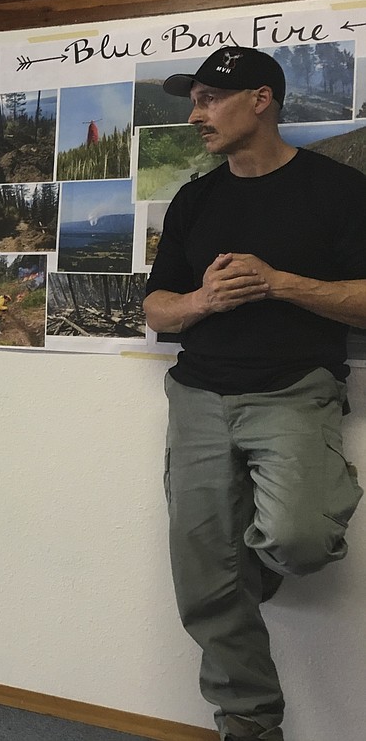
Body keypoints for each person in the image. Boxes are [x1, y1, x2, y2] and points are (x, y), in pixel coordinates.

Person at [144, 47, 366, 741]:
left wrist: (277, 281)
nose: (196, 113)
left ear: (262, 99)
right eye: (194, 98)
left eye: (211, 97)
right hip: (199, 397)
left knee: (299, 539)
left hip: (295, 390)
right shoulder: (196, 198)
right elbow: (156, 308)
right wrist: (204, 300)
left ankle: (248, 569)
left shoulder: (338, 190)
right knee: (203, 579)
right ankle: (247, 720)